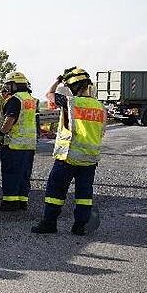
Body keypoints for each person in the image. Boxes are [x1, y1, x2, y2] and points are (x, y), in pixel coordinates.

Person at [32, 67, 106, 235]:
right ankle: (80, 226)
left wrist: (58, 81)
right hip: (90, 159)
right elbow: (101, 132)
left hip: (68, 156)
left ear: (74, 87)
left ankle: (49, 223)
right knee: (84, 194)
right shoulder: (100, 107)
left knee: (55, 191)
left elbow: (49, 94)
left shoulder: (70, 102)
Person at [0, 72, 37, 211]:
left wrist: (1, 134)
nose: (7, 88)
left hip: (15, 144)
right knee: (24, 174)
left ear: (14, 85)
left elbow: (10, 119)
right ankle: (22, 201)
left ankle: (10, 202)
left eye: (8, 85)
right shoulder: (31, 99)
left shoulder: (15, 100)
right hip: (29, 144)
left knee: (11, 173)